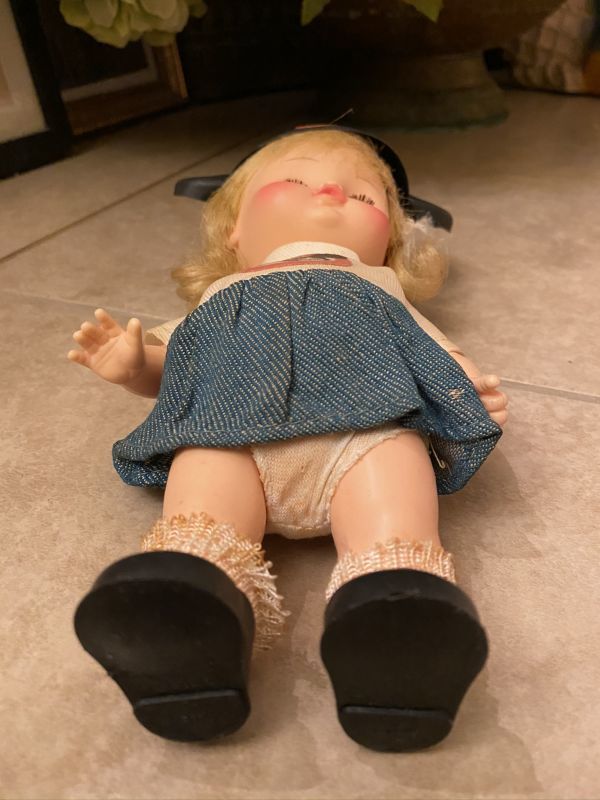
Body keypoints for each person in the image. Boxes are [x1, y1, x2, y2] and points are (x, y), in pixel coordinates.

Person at [68, 126, 508, 752]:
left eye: (364, 196)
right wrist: (135, 366)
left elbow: (433, 352)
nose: (331, 191)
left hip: (364, 432)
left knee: (395, 466)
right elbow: (180, 366)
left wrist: (468, 389)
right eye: (296, 179)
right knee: (204, 474)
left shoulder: (377, 286)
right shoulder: (220, 296)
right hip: (229, 433)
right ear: (234, 229)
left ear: (390, 245)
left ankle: (398, 608)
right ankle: (188, 605)